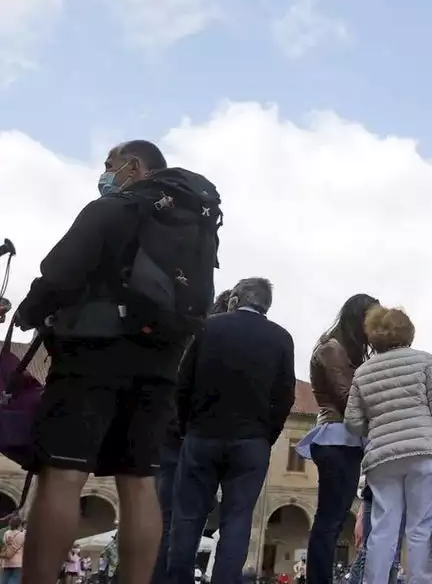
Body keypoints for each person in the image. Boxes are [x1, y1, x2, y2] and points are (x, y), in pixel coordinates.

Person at [14, 141, 222, 584]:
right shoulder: (193, 223)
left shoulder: (114, 208)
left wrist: (30, 310)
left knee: (65, 473)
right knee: (139, 481)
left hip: (93, 351)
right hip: (162, 361)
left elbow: (60, 272)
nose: (106, 174)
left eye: (110, 165)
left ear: (133, 166)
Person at [168, 278, 295, 584]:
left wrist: (187, 426)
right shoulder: (281, 339)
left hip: (202, 435)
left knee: (187, 517)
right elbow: (285, 396)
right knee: (237, 519)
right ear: (266, 305)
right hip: (251, 442)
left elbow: (183, 383)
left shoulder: (208, 328)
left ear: (236, 299)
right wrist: (267, 436)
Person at [345, 305, 432, 584]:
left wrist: (379, 425)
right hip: (424, 453)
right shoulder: (426, 362)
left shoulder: (363, 373)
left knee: (383, 529)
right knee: (420, 529)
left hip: (382, 459)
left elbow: (352, 422)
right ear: (408, 332)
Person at [152, 289, 232, 584]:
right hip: (187, 438)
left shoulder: (191, 338)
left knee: (171, 517)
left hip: (174, 437)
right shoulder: (211, 344)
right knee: (177, 519)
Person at [303, 293, 379, 584]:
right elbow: (347, 398)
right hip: (336, 438)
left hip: (344, 440)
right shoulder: (332, 348)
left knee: (332, 518)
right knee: (329, 519)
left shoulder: (342, 349)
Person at [1, 515, 24, 584]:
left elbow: (4, 544)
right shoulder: (22, 535)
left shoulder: (6, 533)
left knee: (4, 579)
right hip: (18, 563)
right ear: (19, 525)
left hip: (7, 561)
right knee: (15, 579)